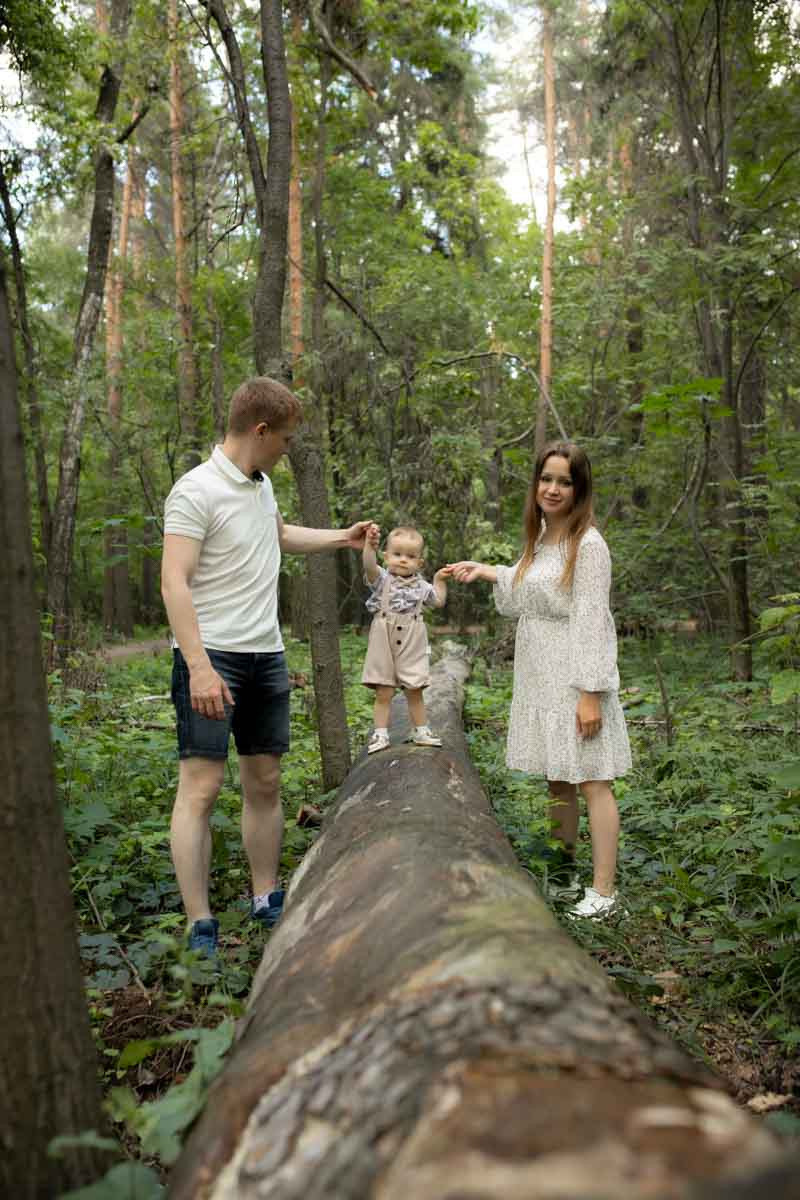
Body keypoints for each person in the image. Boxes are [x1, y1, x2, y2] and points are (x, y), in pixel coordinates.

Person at [161, 375, 374, 958]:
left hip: (266, 655)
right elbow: (173, 581)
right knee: (201, 789)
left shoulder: (259, 488)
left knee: (266, 782)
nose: (286, 449)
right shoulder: (195, 490)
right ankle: (200, 921)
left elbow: (276, 536)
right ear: (259, 430)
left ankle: (265, 896)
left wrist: (343, 538)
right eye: (283, 439)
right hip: (212, 658)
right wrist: (200, 668)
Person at [445, 441, 632, 918]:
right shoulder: (544, 535)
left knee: (593, 780)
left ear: (579, 488)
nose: (552, 488)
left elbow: (592, 619)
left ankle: (605, 894)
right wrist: (489, 572)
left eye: (564, 481)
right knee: (558, 780)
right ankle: (563, 871)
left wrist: (591, 693)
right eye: (546, 479)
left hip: (575, 675)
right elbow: (531, 589)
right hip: (540, 673)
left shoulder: (588, 545)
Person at [362, 523, 448, 753]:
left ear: (419, 563)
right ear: (386, 556)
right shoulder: (381, 579)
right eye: (397, 554)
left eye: (410, 556)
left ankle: (421, 730)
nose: (403, 560)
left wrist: (440, 580)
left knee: (415, 688)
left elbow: (438, 600)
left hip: (413, 639)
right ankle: (380, 734)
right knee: (384, 689)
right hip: (384, 638)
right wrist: (369, 546)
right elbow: (369, 565)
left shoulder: (422, 586)